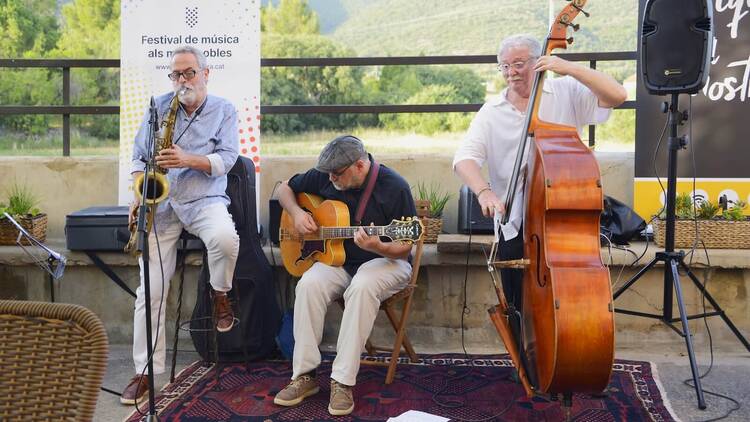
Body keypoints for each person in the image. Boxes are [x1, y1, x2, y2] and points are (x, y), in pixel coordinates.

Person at [453, 34, 627, 320]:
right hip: (513, 222)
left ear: (539, 62)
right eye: (504, 66)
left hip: (562, 221)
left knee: (566, 305)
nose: (511, 73)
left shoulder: (566, 91)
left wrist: (569, 67)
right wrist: (484, 191)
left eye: (518, 64)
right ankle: (523, 363)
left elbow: (617, 96)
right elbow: (464, 159)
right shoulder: (492, 112)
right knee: (517, 308)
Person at [121, 45, 240, 405]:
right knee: (150, 291)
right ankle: (145, 372)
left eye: (189, 73)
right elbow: (139, 156)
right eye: (176, 74)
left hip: (204, 199)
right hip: (163, 205)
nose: (182, 80)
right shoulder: (158, 106)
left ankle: (220, 292)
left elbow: (229, 159)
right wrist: (140, 194)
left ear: (206, 73)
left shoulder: (224, 109)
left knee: (225, 238)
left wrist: (189, 158)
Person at [273, 135, 416, 416]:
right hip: (339, 261)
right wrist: (297, 213)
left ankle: (342, 380)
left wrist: (379, 245)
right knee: (309, 284)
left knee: (362, 286)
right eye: (328, 173)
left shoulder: (394, 187)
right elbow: (283, 189)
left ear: (360, 166)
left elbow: (405, 247)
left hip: (386, 261)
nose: (330, 179)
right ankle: (304, 375)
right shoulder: (327, 175)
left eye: (337, 174)